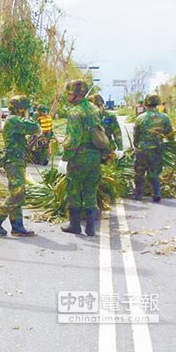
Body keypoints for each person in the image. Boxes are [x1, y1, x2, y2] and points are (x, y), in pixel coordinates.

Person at [0, 95, 41, 237]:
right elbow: (34, 127)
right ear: (21, 108)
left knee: (17, 193)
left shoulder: (14, 120)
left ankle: (17, 226)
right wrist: (34, 118)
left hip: (16, 161)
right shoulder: (14, 120)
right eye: (26, 108)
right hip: (14, 162)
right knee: (18, 194)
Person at [59, 79, 102, 237]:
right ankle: (91, 228)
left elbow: (73, 141)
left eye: (68, 93)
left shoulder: (75, 113)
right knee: (91, 191)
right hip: (95, 156)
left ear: (76, 94)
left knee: (74, 190)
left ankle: (75, 225)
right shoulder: (94, 109)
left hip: (79, 158)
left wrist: (65, 158)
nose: (67, 96)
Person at [133, 94, 174, 202]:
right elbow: (170, 134)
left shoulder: (140, 118)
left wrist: (136, 144)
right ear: (158, 103)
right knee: (155, 172)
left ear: (146, 103)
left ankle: (138, 194)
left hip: (143, 149)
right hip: (157, 149)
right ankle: (156, 193)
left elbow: (136, 135)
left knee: (139, 171)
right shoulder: (164, 117)